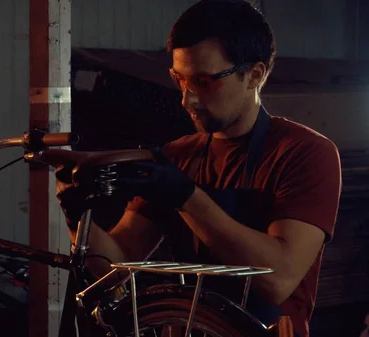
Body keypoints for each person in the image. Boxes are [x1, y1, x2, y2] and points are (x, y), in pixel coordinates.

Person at [56, 1, 342, 337]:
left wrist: (187, 197)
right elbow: (116, 266)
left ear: (255, 75)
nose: (187, 99)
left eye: (204, 82)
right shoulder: (180, 156)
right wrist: (78, 217)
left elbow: (278, 278)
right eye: (180, 79)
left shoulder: (305, 153)